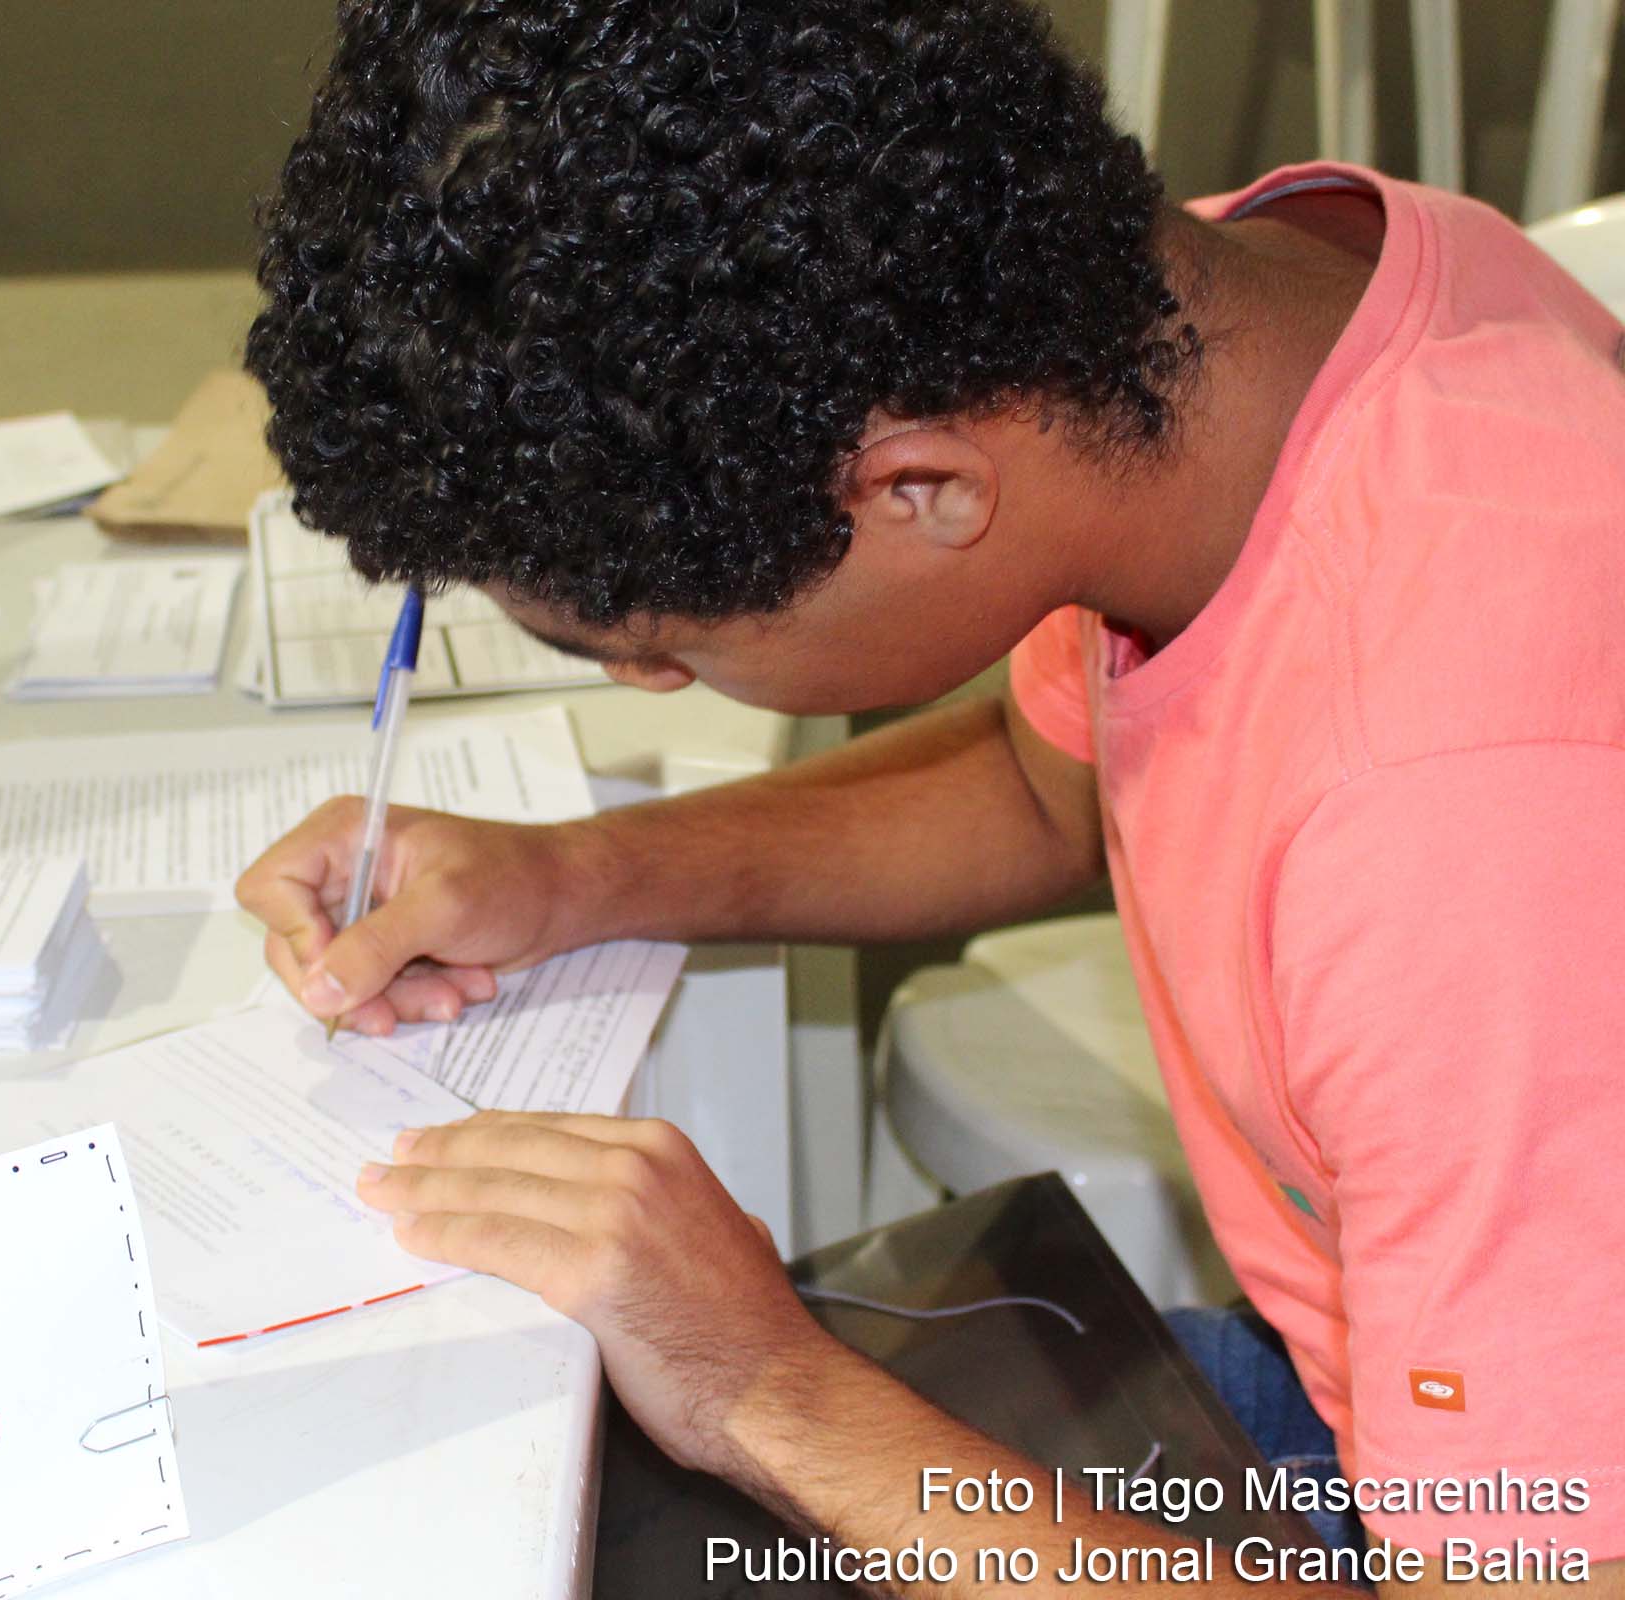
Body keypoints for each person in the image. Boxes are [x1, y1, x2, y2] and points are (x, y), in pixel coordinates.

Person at [236, 0, 1625, 1591]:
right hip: (1422, 1389)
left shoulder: (1466, 837)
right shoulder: (1262, 316)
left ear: (923, 488)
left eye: (663, 652)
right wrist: (576, 877)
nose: (653, 685)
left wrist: (769, 1391)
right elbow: (1055, 788)